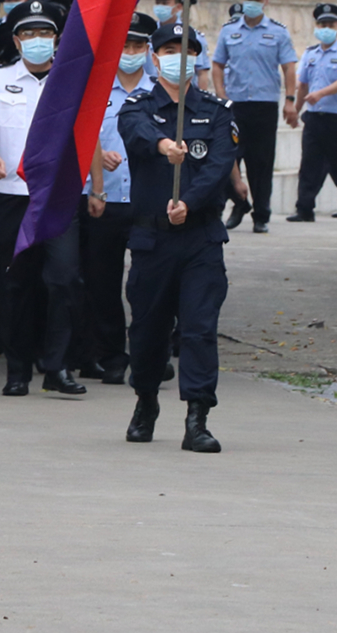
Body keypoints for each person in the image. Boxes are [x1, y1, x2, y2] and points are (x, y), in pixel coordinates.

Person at [117, 23, 238, 453]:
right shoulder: (137, 105)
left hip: (200, 238)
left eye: (186, 50)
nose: (176, 56)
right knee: (148, 330)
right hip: (153, 240)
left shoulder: (217, 110)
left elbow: (219, 164)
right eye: (168, 49)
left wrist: (188, 200)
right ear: (155, 57)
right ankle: (145, 401)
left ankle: (197, 417)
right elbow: (134, 132)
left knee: (199, 328)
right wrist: (165, 144)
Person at [0, 0, 86, 397]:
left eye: (46, 33)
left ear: (57, 38)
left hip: (59, 197)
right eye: (29, 33)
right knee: (15, 284)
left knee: (64, 280)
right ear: (17, 41)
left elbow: (87, 131)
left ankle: (57, 366)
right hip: (13, 197)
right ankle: (17, 370)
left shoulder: (70, 79)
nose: (38, 40)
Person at [76, 11, 155, 385]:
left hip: (145, 201)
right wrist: (97, 171)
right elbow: (84, 134)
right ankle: (110, 354)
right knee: (102, 282)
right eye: (125, 45)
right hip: (103, 198)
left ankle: (148, 351)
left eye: (138, 45)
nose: (131, 52)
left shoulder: (161, 91)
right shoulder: (96, 87)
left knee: (147, 284)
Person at [210, 0, 298, 233]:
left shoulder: (278, 32)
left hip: (264, 104)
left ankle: (261, 215)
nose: (253, 3)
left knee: (261, 162)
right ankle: (239, 202)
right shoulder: (229, 30)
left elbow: (289, 67)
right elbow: (217, 64)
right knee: (226, 157)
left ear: (266, 1)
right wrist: (220, 94)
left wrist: (290, 100)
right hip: (235, 104)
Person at [287, 4, 337, 224]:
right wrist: (295, 112)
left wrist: (321, 93)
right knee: (309, 165)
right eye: (322, 25)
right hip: (314, 117)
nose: (326, 29)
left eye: (330, 25)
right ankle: (304, 208)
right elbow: (302, 84)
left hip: (336, 118)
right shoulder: (310, 54)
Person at [148, 0, 210, 88]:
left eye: (165, 3)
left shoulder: (192, 36)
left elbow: (202, 73)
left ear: (179, 7)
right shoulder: (148, 34)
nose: (160, 7)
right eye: (158, 2)